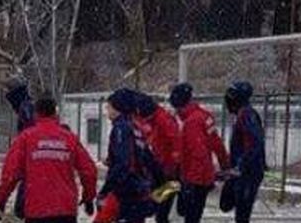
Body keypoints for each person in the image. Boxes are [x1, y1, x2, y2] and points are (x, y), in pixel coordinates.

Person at [0, 96, 97, 223]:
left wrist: (1, 199)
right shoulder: (69, 138)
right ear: (55, 112)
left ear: (36, 113)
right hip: (65, 209)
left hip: (37, 209)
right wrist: (88, 197)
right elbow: (89, 170)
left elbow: (10, 173)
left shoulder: (26, 138)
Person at [94, 89, 157, 223]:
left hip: (125, 189)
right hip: (138, 187)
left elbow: (123, 162)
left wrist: (107, 188)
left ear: (118, 108)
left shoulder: (121, 128)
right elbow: (147, 157)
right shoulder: (136, 126)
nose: (107, 111)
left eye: (109, 107)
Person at [170, 83, 229, 223]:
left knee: (190, 215)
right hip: (202, 177)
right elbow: (217, 143)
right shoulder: (204, 116)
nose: (176, 113)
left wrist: (190, 183)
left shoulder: (191, 123)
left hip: (194, 178)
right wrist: (225, 164)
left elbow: (198, 154)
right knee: (192, 214)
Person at [218, 82, 266, 223]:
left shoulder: (246, 115)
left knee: (242, 212)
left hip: (248, 172)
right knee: (230, 205)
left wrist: (241, 165)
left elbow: (254, 144)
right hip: (244, 171)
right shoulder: (243, 114)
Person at [134, 92, 181, 223]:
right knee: (157, 203)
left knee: (161, 206)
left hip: (168, 169)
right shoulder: (152, 118)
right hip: (158, 167)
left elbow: (176, 141)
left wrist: (174, 163)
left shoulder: (163, 119)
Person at [4, 77, 37, 219]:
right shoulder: (27, 106)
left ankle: (23, 209)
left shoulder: (26, 107)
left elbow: (30, 132)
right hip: (31, 157)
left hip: (31, 157)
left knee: (27, 186)